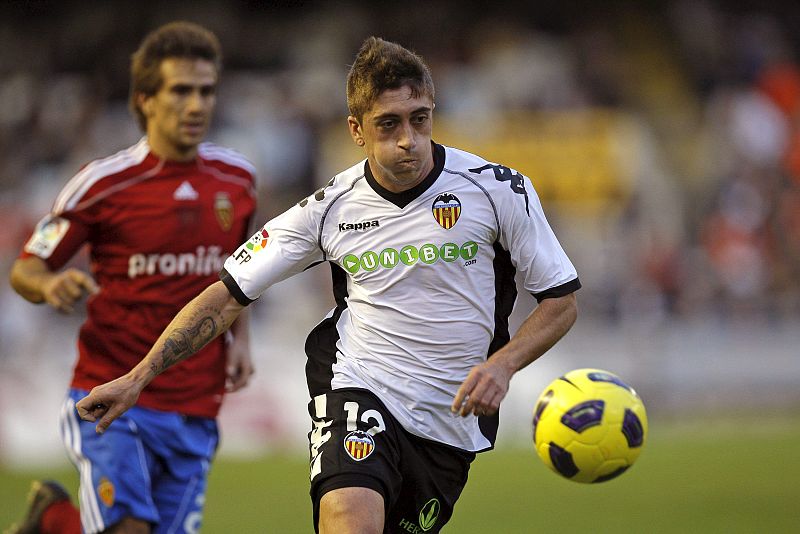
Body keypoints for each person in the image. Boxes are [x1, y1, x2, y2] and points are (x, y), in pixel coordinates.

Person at [76, 36, 580, 534]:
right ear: (357, 130)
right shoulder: (328, 208)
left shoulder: (497, 189)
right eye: (389, 124)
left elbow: (560, 302)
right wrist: (139, 377)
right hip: (360, 389)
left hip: (450, 423)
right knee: (350, 519)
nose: (408, 139)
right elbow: (226, 295)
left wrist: (503, 364)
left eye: (419, 119)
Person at [7, 21, 257, 534]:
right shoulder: (101, 184)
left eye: (206, 91)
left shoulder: (238, 181)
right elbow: (26, 268)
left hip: (196, 403)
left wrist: (240, 340)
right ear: (145, 99)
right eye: (181, 91)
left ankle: (55, 523)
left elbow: (241, 274)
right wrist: (50, 285)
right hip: (112, 396)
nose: (196, 105)